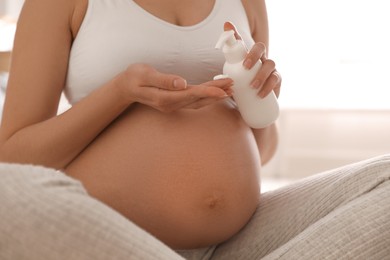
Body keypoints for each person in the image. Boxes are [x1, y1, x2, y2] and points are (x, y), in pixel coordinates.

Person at [0, 0, 389, 259]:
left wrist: (261, 98)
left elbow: (263, 148)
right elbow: (12, 157)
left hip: (238, 240)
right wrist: (118, 94)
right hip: (108, 235)